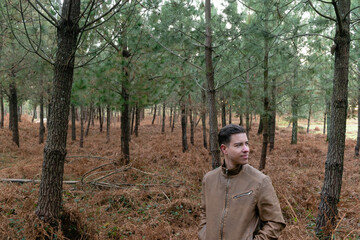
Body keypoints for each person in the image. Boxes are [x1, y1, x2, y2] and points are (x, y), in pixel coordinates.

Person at [198, 124, 285, 240]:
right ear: (224, 149)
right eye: (239, 145)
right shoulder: (209, 179)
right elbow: (204, 213)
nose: (246, 149)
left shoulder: (259, 181)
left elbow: (275, 222)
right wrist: (204, 235)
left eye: (246, 143)